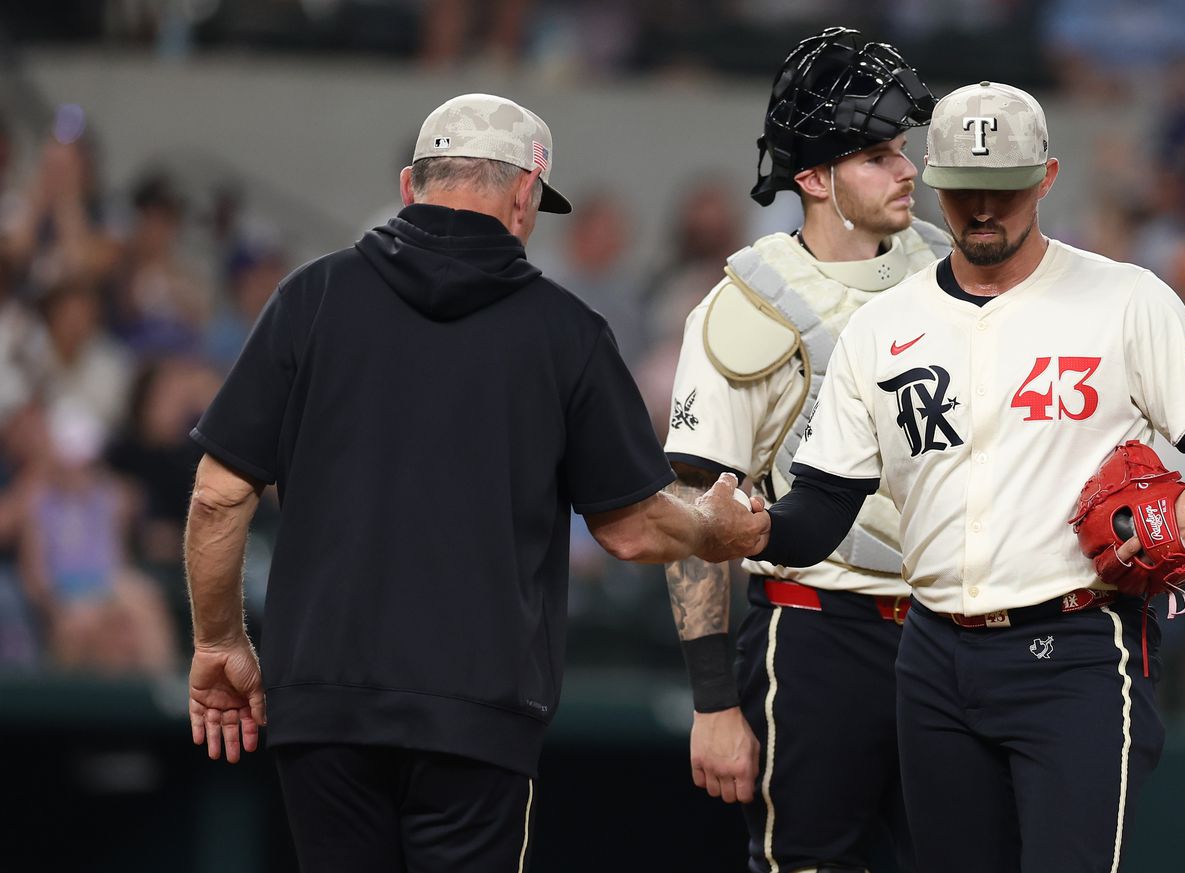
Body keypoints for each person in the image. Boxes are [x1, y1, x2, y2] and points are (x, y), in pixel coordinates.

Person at [182, 93, 769, 873]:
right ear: (525, 194)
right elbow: (631, 527)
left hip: (325, 706)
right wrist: (714, 525)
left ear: (410, 184)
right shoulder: (567, 332)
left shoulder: (310, 298)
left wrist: (220, 638)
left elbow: (217, 495)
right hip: (478, 717)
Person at [750, 81, 1185, 873]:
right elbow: (821, 507)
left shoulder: (1126, 300)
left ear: (1047, 178)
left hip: (1079, 649)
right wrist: (746, 527)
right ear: (932, 180)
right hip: (931, 655)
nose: (983, 207)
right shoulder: (885, 325)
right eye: (964, 188)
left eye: (1006, 186)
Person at [662, 27, 948, 873]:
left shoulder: (957, 277)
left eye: (903, 150)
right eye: (875, 154)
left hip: (955, 631)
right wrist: (714, 703)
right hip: (819, 630)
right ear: (813, 178)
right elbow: (694, 516)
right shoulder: (738, 306)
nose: (906, 170)